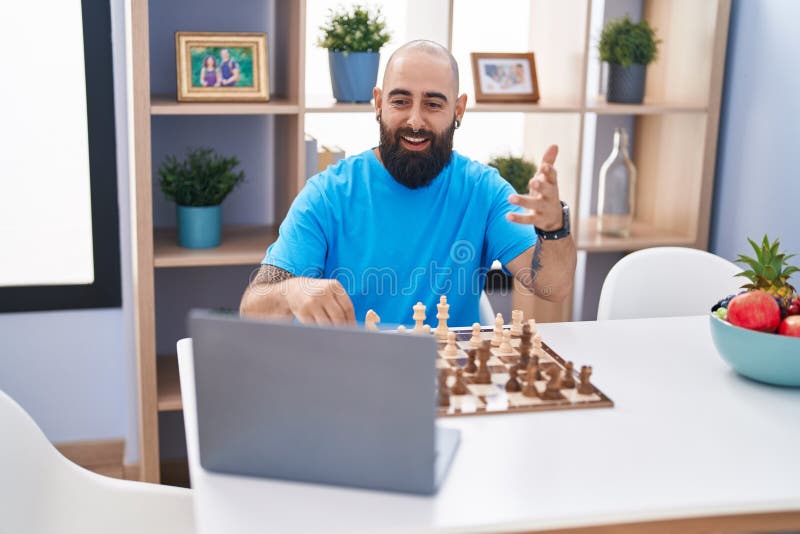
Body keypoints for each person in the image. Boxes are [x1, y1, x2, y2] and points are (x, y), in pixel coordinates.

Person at [240, 40, 576, 327]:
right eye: (400, 101)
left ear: (458, 109)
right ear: (378, 103)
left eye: (432, 104)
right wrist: (295, 290)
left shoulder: (484, 190)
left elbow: (554, 287)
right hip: (350, 379)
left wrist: (553, 227)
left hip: (448, 388)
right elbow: (253, 306)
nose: (415, 121)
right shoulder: (326, 195)